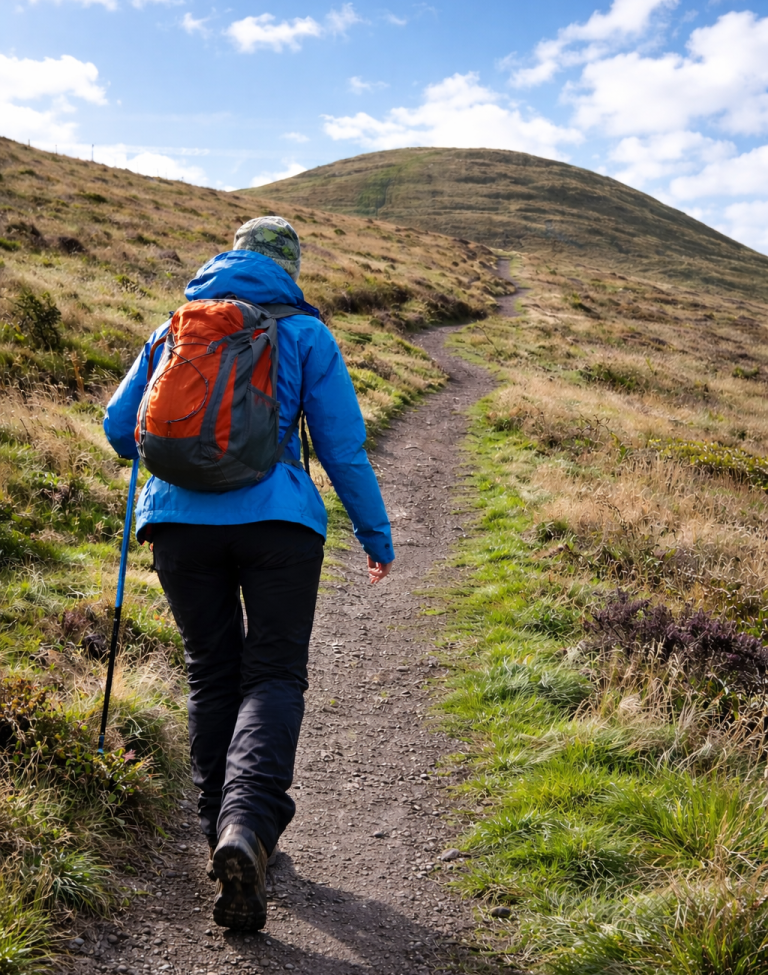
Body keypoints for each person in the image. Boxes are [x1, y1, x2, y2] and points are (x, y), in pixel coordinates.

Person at [103, 215, 394, 930]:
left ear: (230, 256)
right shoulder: (304, 331)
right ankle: (249, 830)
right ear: (290, 265)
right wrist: (374, 533)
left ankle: (216, 829)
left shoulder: (178, 326)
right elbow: (343, 446)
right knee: (271, 674)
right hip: (279, 526)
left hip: (176, 525)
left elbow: (119, 430)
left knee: (211, 669)